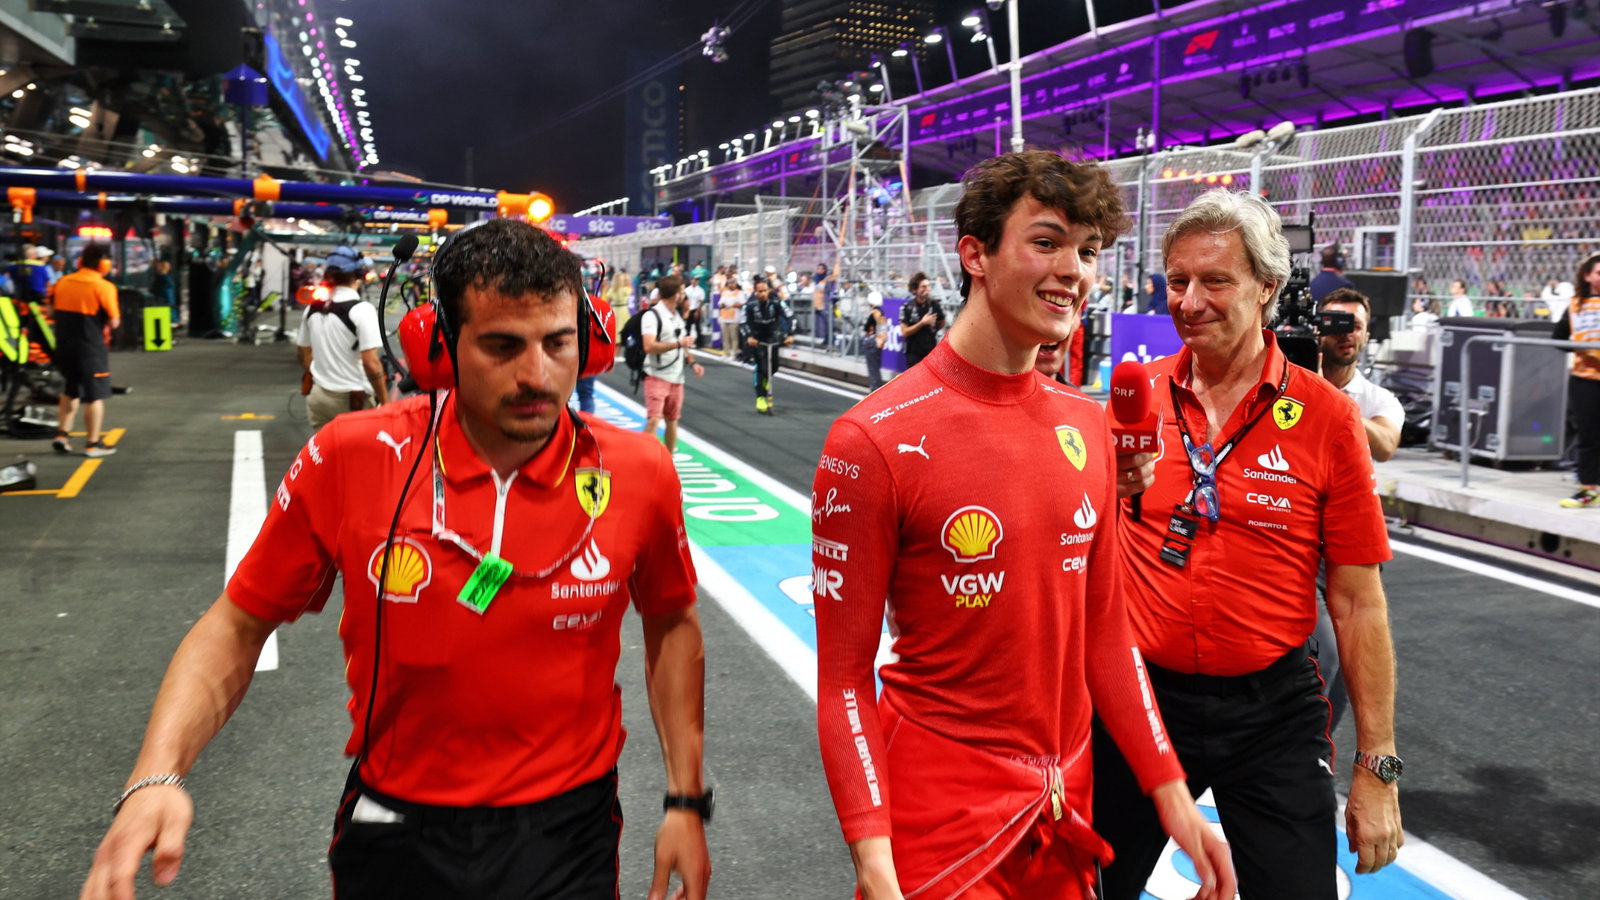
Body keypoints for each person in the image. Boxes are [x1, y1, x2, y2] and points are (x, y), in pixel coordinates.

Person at [80, 218, 711, 900]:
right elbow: (237, 623)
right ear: (440, 345)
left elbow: (672, 624)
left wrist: (685, 800)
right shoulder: (351, 454)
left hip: (568, 831)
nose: (536, 374)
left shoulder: (641, 470)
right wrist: (156, 775)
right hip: (397, 825)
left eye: (557, 343)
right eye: (502, 346)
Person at [814, 150, 1233, 900]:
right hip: (936, 834)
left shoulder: (1088, 423)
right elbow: (844, 681)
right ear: (975, 253)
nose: (1073, 269)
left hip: (1064, 816)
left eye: (1089, 251)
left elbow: (1104, 633)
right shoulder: (869, 439)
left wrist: (1172, 794)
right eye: (1046, 242)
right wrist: (874, 859)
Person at [1096, 189, 1402, 900]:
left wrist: (1378, 768)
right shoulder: (1133, 398)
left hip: (1273, 712)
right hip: (1140, 700)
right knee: (1083, 888)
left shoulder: (1328, 418)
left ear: (1267, 287)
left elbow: (1358, 603)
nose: (1190, 301)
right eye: (1177, 281)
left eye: (1215, 281)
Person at [297, 247, 388, 431]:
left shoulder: (312, 309)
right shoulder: (362, 310)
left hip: (319, 397)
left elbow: (303, 351)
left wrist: (317, 373)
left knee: (324, 457)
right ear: (358, 275)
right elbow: (371, 362)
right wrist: (386, 401)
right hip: (352, 401)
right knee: (357, 457)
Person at [49, 245, 121, 458]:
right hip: (90, 347)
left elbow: (51, 311)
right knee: (94, 395)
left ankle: (62, 435)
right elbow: (114, 322)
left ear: (80, 261)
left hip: (64, 345)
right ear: (104, 264)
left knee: (71, 389)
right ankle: (93, 443)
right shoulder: (103, 287)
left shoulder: (62, 282)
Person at [1554, 251, 1600, 508]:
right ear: (1587, 276)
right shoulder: (1575, 305)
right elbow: (1558, 339)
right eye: (1599, 273)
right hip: (1585, 378)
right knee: (1589, 435)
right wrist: (1583, 348)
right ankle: (1588, 488)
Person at [640, 275, 704, 452]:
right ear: (675, 294)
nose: (684, 295)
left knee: (672, 420)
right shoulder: (652, 316)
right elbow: (649, 346)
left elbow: (681, 344)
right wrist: (678, 344)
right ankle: (643, 459)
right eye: (682, 291)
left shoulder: (676, 316)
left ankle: (669, 461)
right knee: (654, 419)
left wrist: (693, 362)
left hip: (677, 377)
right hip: (656, 375)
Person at [742, 278, 793, 413]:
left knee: (774, 367)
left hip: (773, 338)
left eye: (764, 291)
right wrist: (749, 336)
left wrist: (789, 334)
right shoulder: (750, 304)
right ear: (755, 292)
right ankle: (760, 397)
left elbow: (790, 316)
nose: (762, 294)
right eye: (759, 291)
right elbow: (743, 322)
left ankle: (765, 381)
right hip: (757, 339)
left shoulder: (777, 302)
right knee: (761, 367)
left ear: (769, 290)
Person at [897, 272, 943, 370]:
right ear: (914, 290)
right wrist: (922, 323)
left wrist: (935, 325)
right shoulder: (906, 307)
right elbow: (904, 332)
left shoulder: (934, 304)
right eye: (923, 287)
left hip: (931, 354)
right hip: (914, 355)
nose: (927, 289)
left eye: (928, 286)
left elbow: (942, 322)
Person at [862, 295, 888, 391]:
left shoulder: (876, 312)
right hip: (874, 340)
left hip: (871, 340)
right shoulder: (879, 311)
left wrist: (881, 339)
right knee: (875, 368)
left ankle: (875, 392)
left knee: (873, 369)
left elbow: (882, 325)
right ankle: (876, 391)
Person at [717, 277, 746, 356]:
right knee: (725, 337)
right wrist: (722, 305)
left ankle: (733, 353)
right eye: (730, 283)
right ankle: (726, 353)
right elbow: (720, 303)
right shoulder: (725, 292)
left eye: (733, 283)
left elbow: (742, 303)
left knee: (733, 337)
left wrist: (732, 305)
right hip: (724, 317)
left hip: (734, 318)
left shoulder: (739, 293)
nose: (731, 285)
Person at [148, 259, 177, 324]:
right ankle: (172, 320)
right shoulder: (164, 277)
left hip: (164, 298)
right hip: (166, 298)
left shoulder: (161, 277)